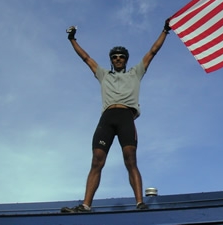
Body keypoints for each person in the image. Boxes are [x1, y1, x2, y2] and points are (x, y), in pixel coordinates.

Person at [61, 19, 171, 213]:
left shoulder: (135, 73)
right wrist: (72, 39)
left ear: (126, 59)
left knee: (130, 159)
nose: (118, 59)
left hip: (125, 117)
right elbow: (86, 58)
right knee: (96, 160)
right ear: (111, 60)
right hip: (107, 118)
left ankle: (139, 203)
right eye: (114, 57)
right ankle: (86, 205)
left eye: (121, 56)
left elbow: (153, 51)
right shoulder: (104, 75)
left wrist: (165, 30)